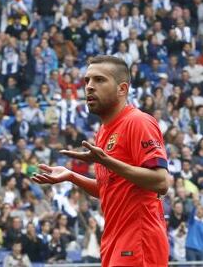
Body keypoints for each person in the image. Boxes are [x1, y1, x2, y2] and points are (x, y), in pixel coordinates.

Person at [32, 55, 170, 266]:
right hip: (114, 240)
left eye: (99, 80)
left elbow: (161, 182)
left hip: (139, 240)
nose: (89, 87)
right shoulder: (104, 131)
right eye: (87, 80)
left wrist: (107, 161)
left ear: (122, 89)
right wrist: (72, 177)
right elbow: (110, 188)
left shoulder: (138, 122)